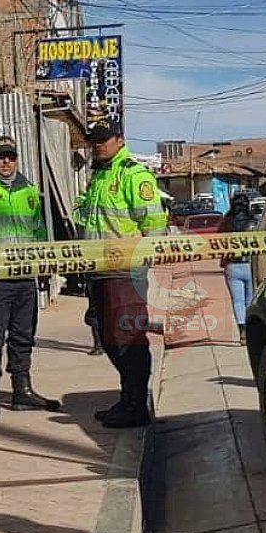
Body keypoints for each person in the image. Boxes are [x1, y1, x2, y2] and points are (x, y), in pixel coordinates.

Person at [74, 119, 169, 428]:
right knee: (106, 335)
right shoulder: (98, 176)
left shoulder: (133, 174)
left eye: (103, 139)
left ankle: (136, 405)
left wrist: (142, 259)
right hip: (98, 269)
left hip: (126, 270)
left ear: (118, 139)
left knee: (128, 336)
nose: (97, 144)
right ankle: (128, 398)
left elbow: (153, 225)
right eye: (93, 140)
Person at [0, 136, 60, 420]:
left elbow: (38, 230)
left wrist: (42, 264)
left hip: (25, 277)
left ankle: (22, 391)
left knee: (23, 335)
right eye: (1, 156)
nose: (6, 161)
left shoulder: (29, 190)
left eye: (11, 156)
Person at [218, 193, 258, 343]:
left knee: (237, 301)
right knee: (250, 301)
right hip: (250, 264)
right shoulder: (253, 222)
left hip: (232, 265)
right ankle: (251, 329)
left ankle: (242, 331)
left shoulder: (226, 222)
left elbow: (216, 242)